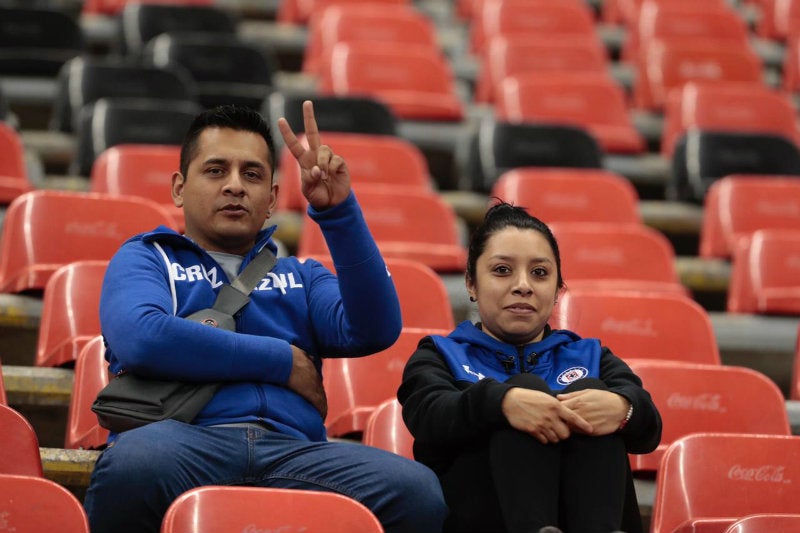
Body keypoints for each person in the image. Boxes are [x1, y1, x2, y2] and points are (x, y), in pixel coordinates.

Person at [83, 102, 447, 533]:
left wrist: (339, 213)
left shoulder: (302, 276)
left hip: (294, 454)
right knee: (135, 465)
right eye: (216, 171)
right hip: (182, 442)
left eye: (252, 174)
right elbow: (145, 338)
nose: (235, 186)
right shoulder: (147, 257)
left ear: (273, 199)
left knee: (416, 491)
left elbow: (375, 329)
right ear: (179, 188)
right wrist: (281, 360)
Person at [398, 202, 662, 533]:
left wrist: (623, 409)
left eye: (540, 273)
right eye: (502, 270)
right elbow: (427, 417)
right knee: (525, 390)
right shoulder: (439, 355)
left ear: (557, 292)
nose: (523, 285)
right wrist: (501, 403)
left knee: (594, 394)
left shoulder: (591, 355)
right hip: (479, 518)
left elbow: (649, 426)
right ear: (471, 284)